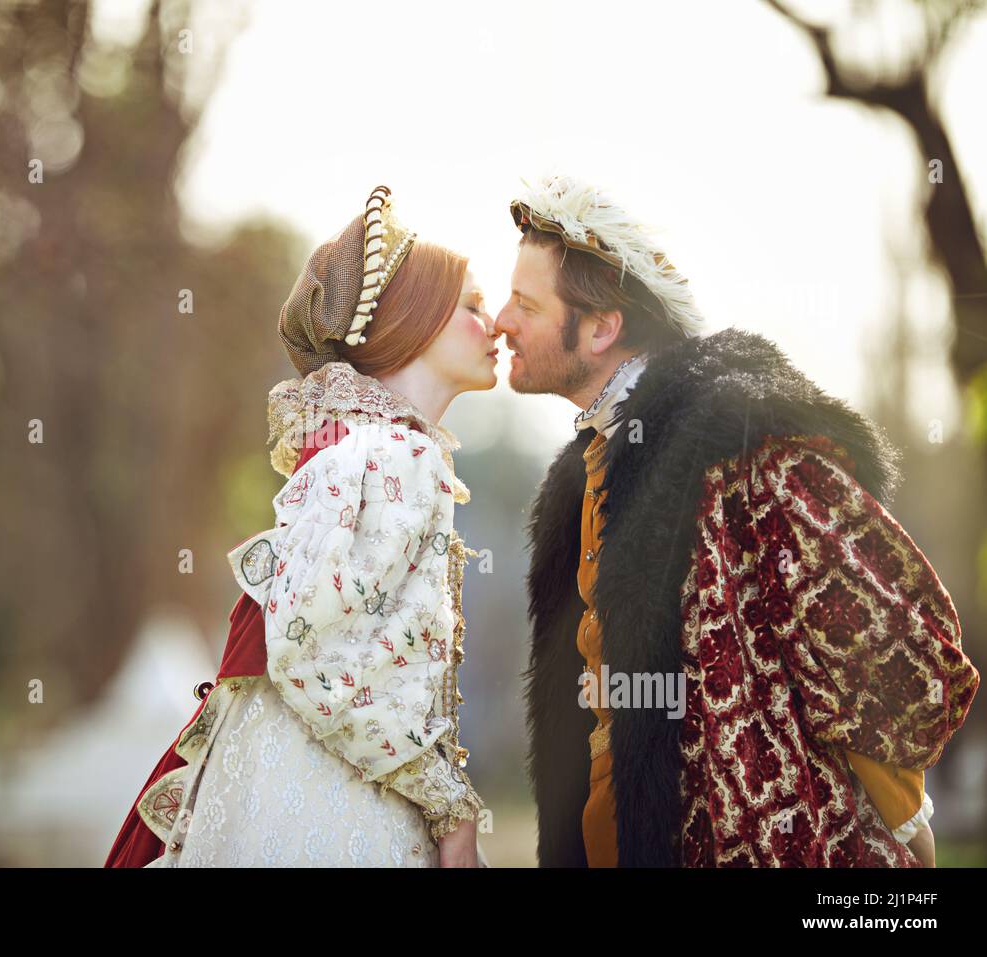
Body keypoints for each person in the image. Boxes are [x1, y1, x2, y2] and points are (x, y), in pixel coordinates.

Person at [501, 173, 980, 867]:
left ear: (602, 326)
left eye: (524, 303)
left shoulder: (739, 436)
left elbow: (882, 633)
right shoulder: (585, 467)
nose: (501, 323)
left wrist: (905, 817)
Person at [105, 185, 499, 867]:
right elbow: (306, 651)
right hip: (333, 800)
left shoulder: (367, 448)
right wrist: (447, 801)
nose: (494, 326)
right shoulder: (394, 455)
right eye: (472, 306)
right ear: (416, 322)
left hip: (294, 777)